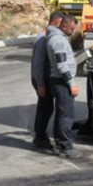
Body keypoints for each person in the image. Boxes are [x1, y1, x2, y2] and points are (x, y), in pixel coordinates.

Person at [47, 12, 81, 159]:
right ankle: (66, 147)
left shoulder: (57, 38)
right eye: (71, 28)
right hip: (61, 82)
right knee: (66, 116)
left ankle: (60, 144)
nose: (73, 32)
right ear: (64, 24)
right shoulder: (58, 41)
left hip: (59, 81)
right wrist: (71, 84)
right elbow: (61, 65)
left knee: (62, 114)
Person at [31, 11, 65, 150]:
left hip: (45, 79)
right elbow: (38, 64)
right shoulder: (42, 39)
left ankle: (40, 136)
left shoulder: (47, 37)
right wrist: (40, 84)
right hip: (42, 80)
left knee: (45, 108)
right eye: (61, 24)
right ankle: (40, 137)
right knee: (45, 108)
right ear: (56, 22)